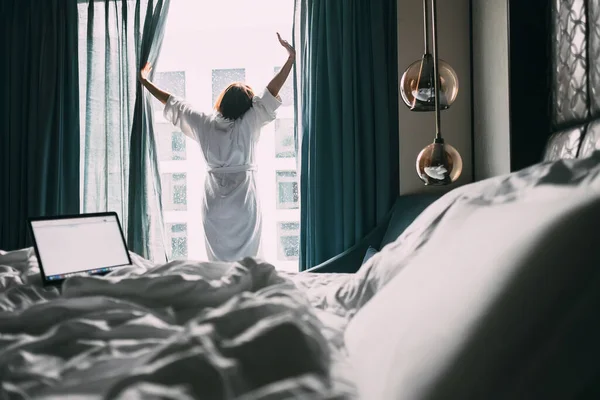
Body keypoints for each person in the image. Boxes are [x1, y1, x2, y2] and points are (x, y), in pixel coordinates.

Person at [139, 33, 295, 262]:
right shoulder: (250, 122)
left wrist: (145, 81)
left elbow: (172, 102)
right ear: (247, 104)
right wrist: (290, 59)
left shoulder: (205, 123)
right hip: (244, 202)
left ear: (222, 101)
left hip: (214, 203)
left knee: (218, 262)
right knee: (248, 260)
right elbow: (271, 92)